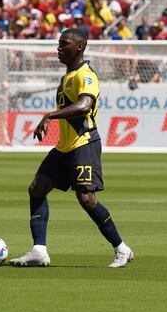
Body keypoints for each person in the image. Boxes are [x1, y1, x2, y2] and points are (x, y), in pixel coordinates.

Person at [9, 29, 134, 268]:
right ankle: (39, 250)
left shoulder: (85, 75)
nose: (58, 49)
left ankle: (121, 249)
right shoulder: (68, 76)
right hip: (65, 147)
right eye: (58, 44)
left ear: (79, 47)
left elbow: (85, 105)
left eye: (63, 44)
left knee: (87, 198)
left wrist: (50, 115)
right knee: (37, 188)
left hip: (83, 144)